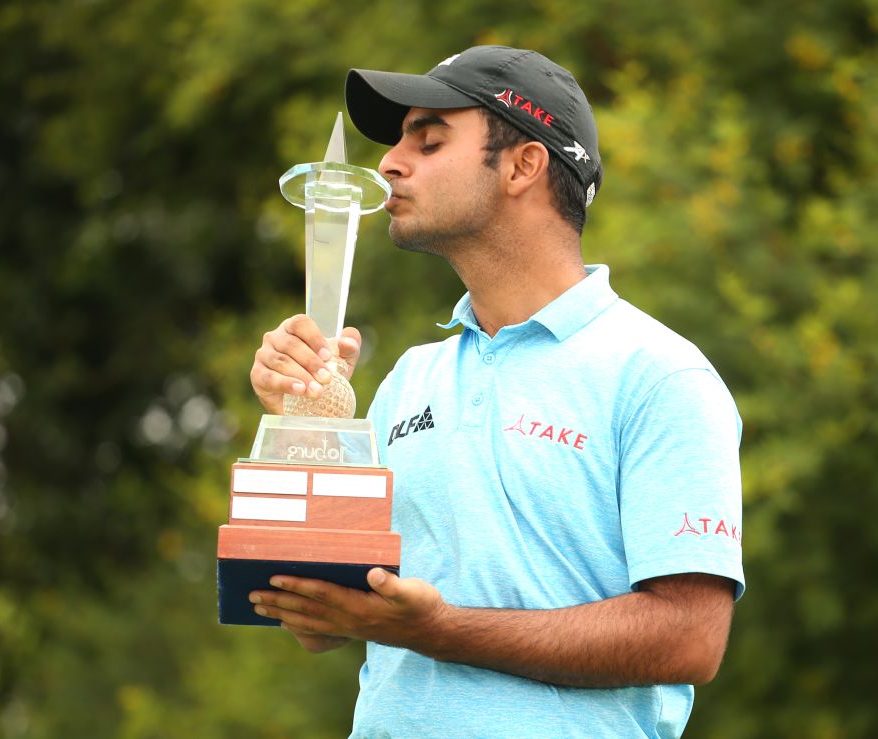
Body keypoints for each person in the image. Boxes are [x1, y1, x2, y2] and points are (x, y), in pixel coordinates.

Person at [248, 45, 745, 738]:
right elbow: (320, 622)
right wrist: (307, 420)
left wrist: (442, 630)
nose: (389, 163)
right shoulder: (408, 380)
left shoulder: (660, 374)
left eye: (429, 140)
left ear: (523, 165)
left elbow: (691, 637)